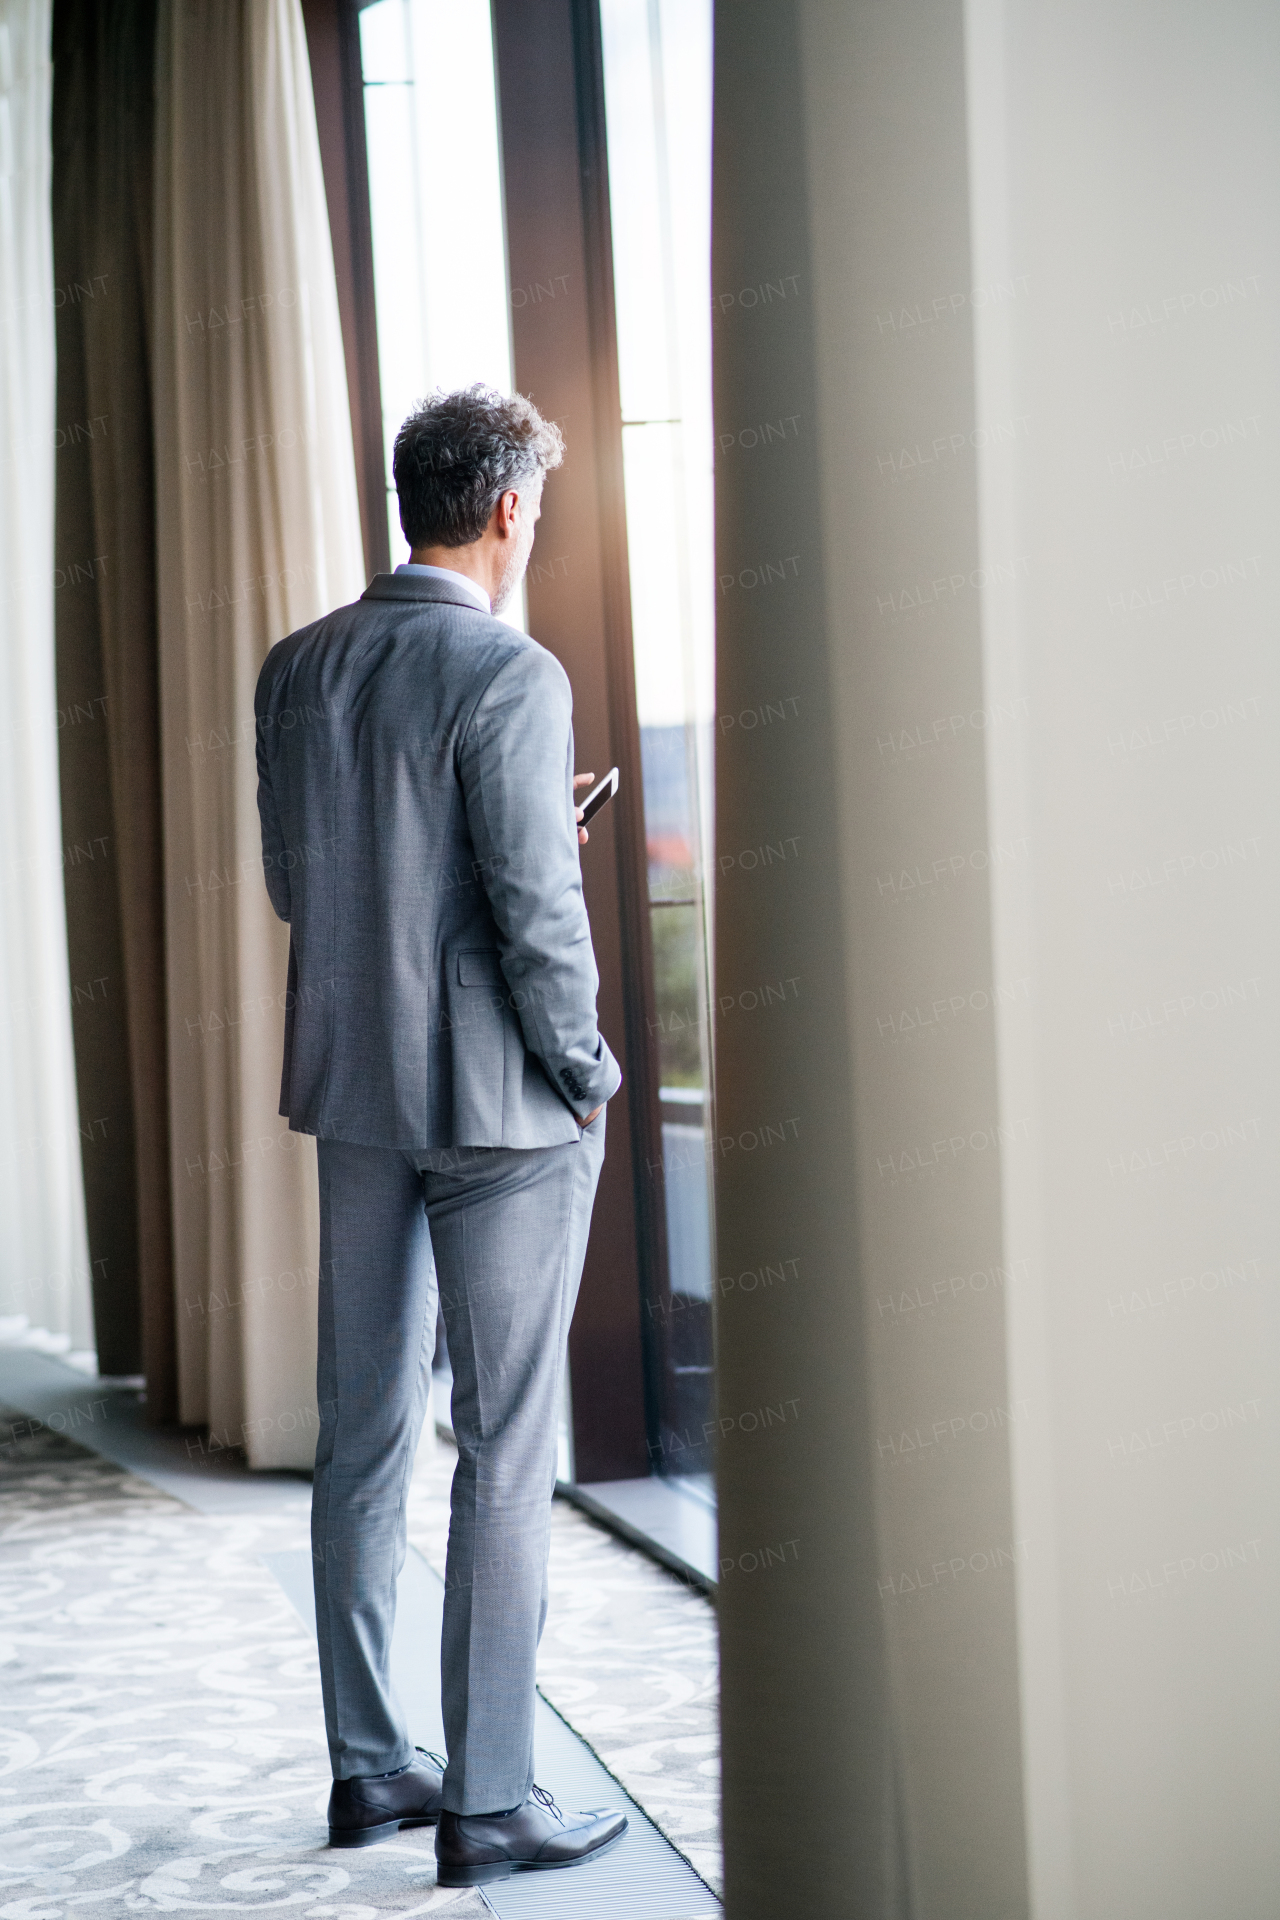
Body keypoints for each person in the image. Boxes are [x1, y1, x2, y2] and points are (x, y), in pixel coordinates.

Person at [254, 385, 627, 1886]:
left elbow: (305, 885)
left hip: (355, 1094)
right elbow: (537, 917)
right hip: (499, 1110)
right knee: (504, 1448)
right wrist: (586, 1067)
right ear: (508, 510)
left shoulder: (296, 669)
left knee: (363, 1436)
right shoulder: (511, 674)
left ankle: (370, 1771)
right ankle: (489, 1798)